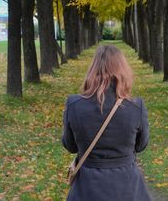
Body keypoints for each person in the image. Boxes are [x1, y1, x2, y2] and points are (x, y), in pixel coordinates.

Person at [62, 45, 151, 201]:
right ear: (123, 71)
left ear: (92, 70)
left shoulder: (74, 104)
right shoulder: (136, 106)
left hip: (87, 188)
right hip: (127, 187)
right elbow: (141, 145)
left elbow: (70, 146)